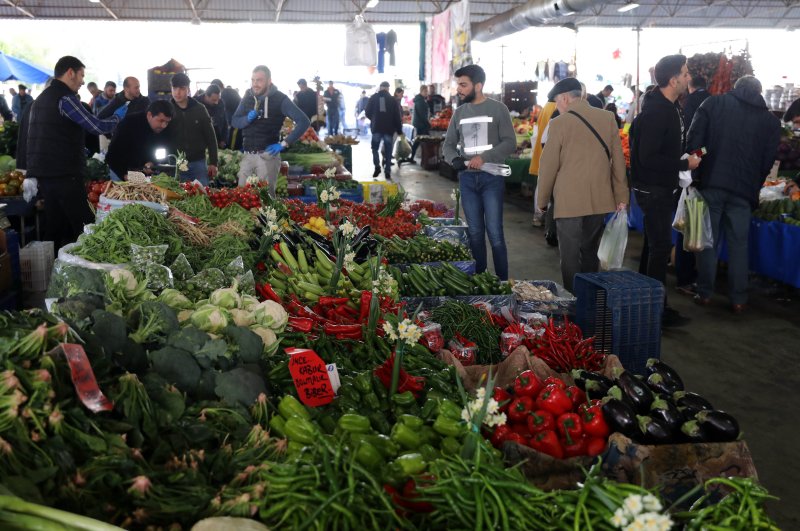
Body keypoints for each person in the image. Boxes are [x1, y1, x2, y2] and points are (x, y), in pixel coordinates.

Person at [686, 75, 781, 313]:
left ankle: (704, 293)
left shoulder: (713, 104)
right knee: (739, 245)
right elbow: (767, 160)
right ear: (759, 92)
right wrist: (755, 181)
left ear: (735, 88)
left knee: (708, 240)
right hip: (744, 191)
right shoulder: (770, 122)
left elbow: (696, 141)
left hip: (712, 183)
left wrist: (704, 159)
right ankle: (739, 299)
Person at [537, 78, 629, 292]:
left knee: (569, 255)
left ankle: (572, 299)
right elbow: (618, 161)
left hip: (569, 201)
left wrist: (542, 201)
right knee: (590, 251)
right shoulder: (607, 118)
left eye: (557, 102)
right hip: (599, 198)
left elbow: (548, 166)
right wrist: (621, 196)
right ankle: (590, 298)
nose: (557, 107)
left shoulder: (559, 123)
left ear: (565, 98)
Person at [629, 54, 701, 327]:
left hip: (661, 187)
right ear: (673, 80)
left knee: (653, 246)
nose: (688, 78)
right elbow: (648, 157)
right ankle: (656, 311)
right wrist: (684, 163)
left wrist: (686, 157)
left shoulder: (670, 107)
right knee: (660, 248)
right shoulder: (658, 112)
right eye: (685, 73)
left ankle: (644, 302)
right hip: (654, 190)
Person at [26, 56, 120, 250]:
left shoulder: (40, 100)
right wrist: (118, 119)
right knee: (85, 225)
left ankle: (49, 266)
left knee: (55, 227)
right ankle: (92, 265)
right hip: (65, 174)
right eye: (81, 75)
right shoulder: (65, 98)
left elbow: (49, 136)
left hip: (45, 175)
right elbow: (96, 126)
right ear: (70, 73)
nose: (83, 82)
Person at [442, 64, 516, 280]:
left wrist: (484, 157)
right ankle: (480, 281)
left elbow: (510, 142)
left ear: (478, 86)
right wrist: (454, 159)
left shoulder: (498, 109)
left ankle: (502, 283)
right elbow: (448, 145)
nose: (459, 89)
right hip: (467, 180)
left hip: (491, 178)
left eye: (463, 85)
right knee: (474, 233)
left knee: (495, 234)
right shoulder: (459, 113)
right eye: (458, 85)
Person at [231, 65, 310, 196]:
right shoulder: (248, 96)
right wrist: (247, 119)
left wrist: (283, 144)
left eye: (259, 80)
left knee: (265, 199)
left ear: (269, 81)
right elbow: (235, 121)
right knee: (242, 197)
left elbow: (304, 121)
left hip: (267, 157)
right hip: (248, 155)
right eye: (253, 80)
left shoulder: (280, 99)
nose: (255, 84)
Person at [168, 73, 218, 186]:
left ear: (188, 89)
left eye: (182, 88)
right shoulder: (167, 109)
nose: (177, 92)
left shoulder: (200, 109)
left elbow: (211, 137)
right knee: (177, 194)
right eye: (174, 88)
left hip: (198, 162)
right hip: (175, 164)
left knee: (202, 192)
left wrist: (213, 162)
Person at [106, 100, 174, 180]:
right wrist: (124, 175)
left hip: (145, 175)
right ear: (149, 115)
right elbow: (112, 155)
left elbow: (162, 152)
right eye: (161, 121)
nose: (164, 126)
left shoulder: (165, 129)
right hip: (121, 171)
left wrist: (152, 162)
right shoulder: (128, 124)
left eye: (167, 122)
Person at [529, 97, 558, 229]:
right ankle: (544, 217)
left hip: (543, 153)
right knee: (548, 187)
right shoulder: (557, 109)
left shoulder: (546, 107)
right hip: (551, 154)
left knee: (542, 185)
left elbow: (539, 134)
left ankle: (538, 215)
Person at [365, 81, 403, 180]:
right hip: (388, 129)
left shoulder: (373, 98)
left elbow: (367, 112)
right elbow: (397, 116)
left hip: (376, 127)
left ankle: (377, 166)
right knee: (388, 150)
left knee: (375, 148)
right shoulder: (393, 100)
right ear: (388, 88)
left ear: (380, 87)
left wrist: (374, 119)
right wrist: (399, 129)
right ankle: (387, 171)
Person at [195, 83, 228, 149]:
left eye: (218, 99)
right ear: (206, 96)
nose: (216, 102)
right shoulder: (196, 104)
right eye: (214, 100)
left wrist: (223, 139)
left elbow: (224, 122)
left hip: (217, 141)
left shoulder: (220, 103)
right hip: (200, 143)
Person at [410, 85, 430, 162]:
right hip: (420, 124)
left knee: (419, 141)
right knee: (421, 141)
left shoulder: (421, 100)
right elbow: (422, 115)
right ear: (421, 91)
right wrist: (427, 124)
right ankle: (424, 158)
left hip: (420, 124)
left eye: (427, 91)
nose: (426, 93)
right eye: (425, 91)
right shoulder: (420, 101)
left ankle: (415, 157)